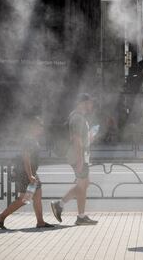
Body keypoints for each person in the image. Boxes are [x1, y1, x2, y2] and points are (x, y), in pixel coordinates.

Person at [0, 116, 53, 229]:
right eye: (40, 126)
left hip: (30, 173)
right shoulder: (28, 140)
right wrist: (30, 175)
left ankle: (40, 222)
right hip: (26, 173)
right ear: (33, 126)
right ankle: (1, 216)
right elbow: (26, 158)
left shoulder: (32, 139)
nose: (42, 128)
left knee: (37, 194)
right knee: (24, 199)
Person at [51, 93, 98, 226]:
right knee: (82, 185)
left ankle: (80, 216)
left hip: (81, 156)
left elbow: (80, 138)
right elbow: (76, 140)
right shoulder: (77, 118)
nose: (91, 104)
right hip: (78, 156)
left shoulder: (79, 117)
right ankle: (59, 205)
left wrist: (89, 137)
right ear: (82, 103)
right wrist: (80, 160)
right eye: (89, 102)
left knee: (84, 185)